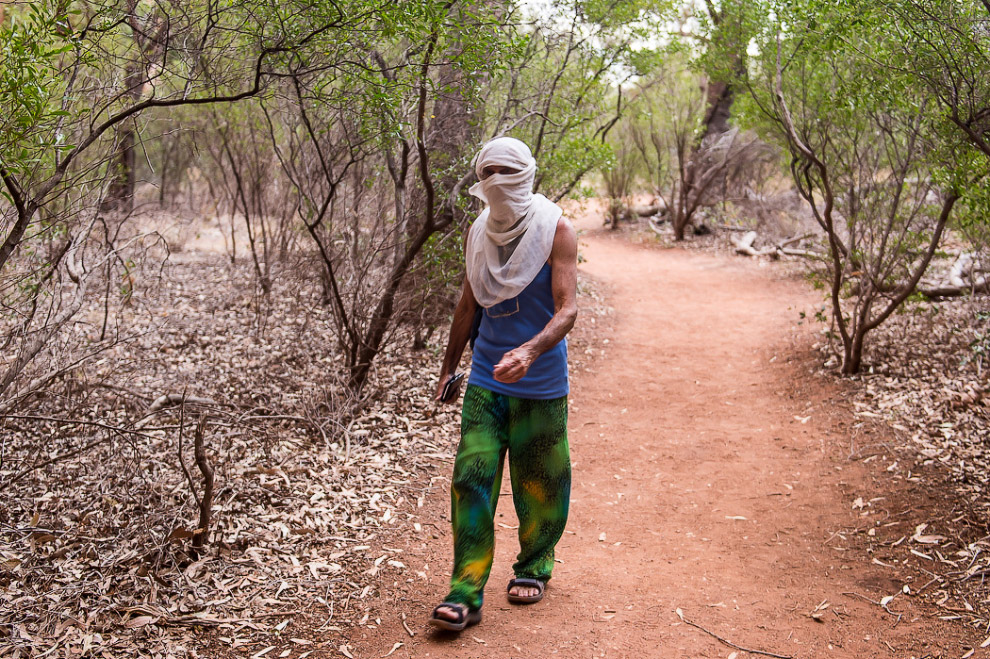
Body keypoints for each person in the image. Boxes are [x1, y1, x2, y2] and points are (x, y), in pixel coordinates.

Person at [429, 136, 578, 632]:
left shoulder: (557, 230)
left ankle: (535, 565)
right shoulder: (479, 233)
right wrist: (450, 368)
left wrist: (531, 350)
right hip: (486, 382)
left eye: (504, 173)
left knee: (541, 484)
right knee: (471, 480)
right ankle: (465, 592)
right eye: (485, 173)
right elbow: (467, 307)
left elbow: (568, 309)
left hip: (541, 383)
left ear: (526, 175)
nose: (493, 183)